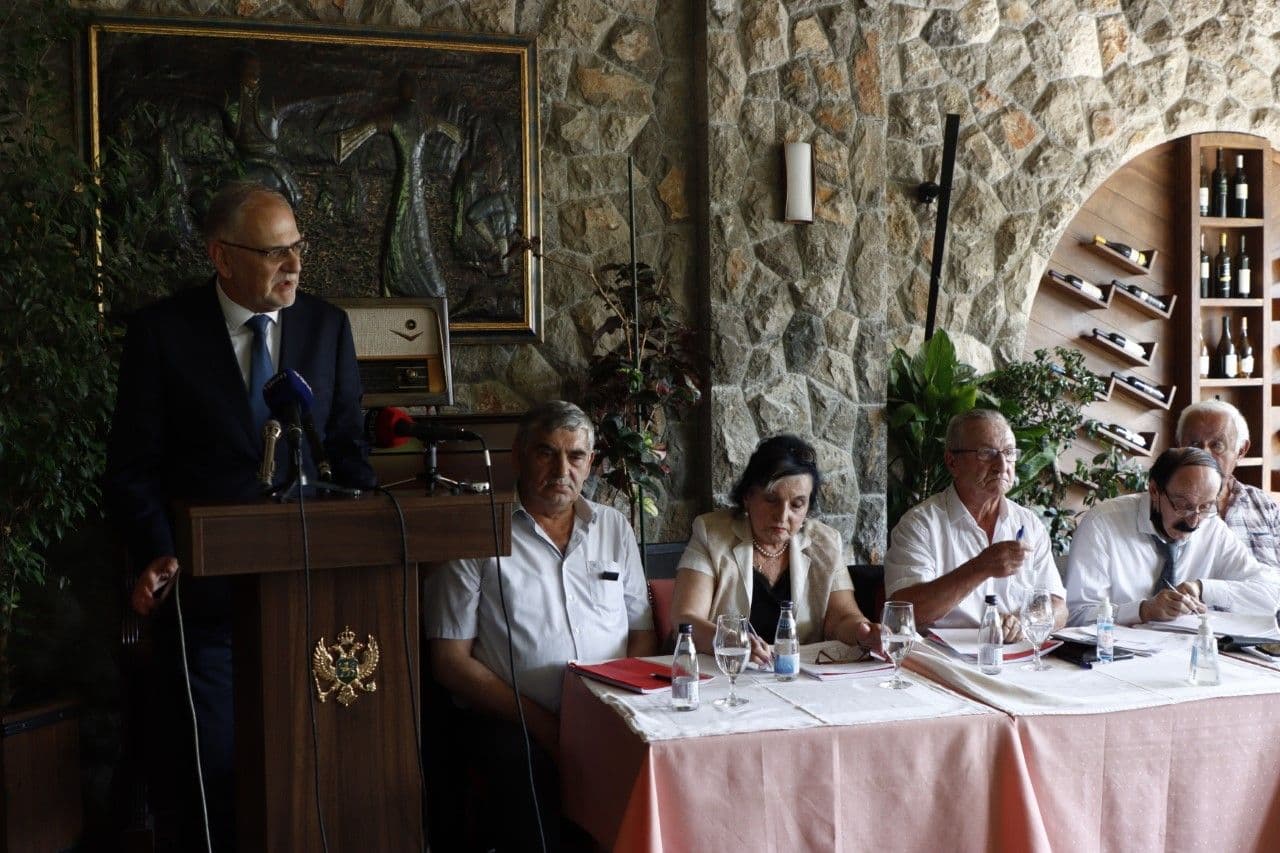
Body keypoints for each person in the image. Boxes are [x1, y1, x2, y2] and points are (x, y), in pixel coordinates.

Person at [105, 180, 374, 850]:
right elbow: (133, 466)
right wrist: (157, 551)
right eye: (274, 252)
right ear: (221, 256)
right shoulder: (163, 333)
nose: (294, 265)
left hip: (312, 590)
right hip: (207, 599)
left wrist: (369, 534)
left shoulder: (326, 326)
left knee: (315, 762)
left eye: (298, 247)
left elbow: (348, 450)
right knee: (218, 770)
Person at [427, 400, 656, 851]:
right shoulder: (479, 529)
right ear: (518, 455)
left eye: (575, 456)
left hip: (609, 710)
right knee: (523, 767)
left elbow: (641, 631)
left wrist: (619, 707)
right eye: (546, 453)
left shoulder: (613, 527)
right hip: (512, 718)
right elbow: (449, 661)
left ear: (590, 463)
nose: (561, 470)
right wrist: (546, 724)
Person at [670, 435, 877, 665]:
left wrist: (864, 633)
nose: (782, 515)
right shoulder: (712, 534)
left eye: (797, 504)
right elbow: (685, 619)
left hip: (796, 675)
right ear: (748, 496)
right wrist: (731, 641)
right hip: (726, 672)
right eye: (771, 499)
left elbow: (842, 618)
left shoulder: (825, 542)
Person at [884, 409, 1068, 639]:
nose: (1002, 465)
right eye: (986, 453)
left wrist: (1022, 622)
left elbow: (1058, 606)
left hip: (1013, 653)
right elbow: (903, 615)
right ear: (952, 461)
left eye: (1009, 453)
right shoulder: (920, 525)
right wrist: (979, 568)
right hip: (943, 656)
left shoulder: (1028, 524)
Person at [1066, 446, 1280, 626]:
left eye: (1206, 506)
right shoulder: (1103, 523)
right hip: (1113, 656)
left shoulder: (1213, 528)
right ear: (1154, 490)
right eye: (1183, 505)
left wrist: (1203, 588)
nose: (1194, 521)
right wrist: (1143, 611)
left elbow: (1274, 595)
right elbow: (1076, 616)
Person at [1176, 399, 1280, 569]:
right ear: (1179, 448)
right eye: (1194, 444)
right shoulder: (1167, 505)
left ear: (1241, 450)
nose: (1204, 454)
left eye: (1217, 445)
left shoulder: (1263, 505)